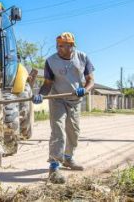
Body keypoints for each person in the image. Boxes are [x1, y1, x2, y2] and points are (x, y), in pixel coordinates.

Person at [32, 31, 94, 184]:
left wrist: (84, 90)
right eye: (58, 45)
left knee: (73, 131)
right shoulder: (50, 61)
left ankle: (68, 158)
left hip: (75, 99)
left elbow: (91, 80)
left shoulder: (83, 58)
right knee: (58, 130)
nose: (59, 48)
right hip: (57, 99)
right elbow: (47, 84)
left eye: (62, 46)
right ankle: (54, 166)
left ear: (71, 46)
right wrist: (40, 94)